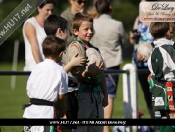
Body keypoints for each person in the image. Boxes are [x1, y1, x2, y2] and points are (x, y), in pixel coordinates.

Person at [44, 14, 87, 130]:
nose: (68, 35)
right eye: (67, 31)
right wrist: (72, 63)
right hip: (65, 95)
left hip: (65, 94)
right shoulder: (57, 51)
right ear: (60, 32)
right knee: (65, 128)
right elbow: (56, 74)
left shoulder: (48, 48)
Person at [90, 0, 128, 132]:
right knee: (109, 96)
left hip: (94, 63)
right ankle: (105, 128)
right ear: (110, 8)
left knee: (95, 95)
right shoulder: (117, 24)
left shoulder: (92, 24)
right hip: (112, 64)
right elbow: (125, 43)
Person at [71, 12, 108, 132]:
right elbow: (74, 74)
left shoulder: (95, 50)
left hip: (97, 95)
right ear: (75, 31)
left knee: (96, 129)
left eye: (91, 29)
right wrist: (88, 73)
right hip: (82, 95)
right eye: (85, 29)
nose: (90, 32)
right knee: (80, 128)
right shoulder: (74, 49)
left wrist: (105, 94)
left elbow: (101, 74)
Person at [23, 36, 68, 132]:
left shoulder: (36, 68)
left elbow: (28, 91)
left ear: (43, 52)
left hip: (30, 111)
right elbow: (61, 97)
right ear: (60, 54)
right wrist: (63, 112)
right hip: (46, 113)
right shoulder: (60, 70)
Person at [148, 22, 175, 132]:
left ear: (152, 35)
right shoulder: (169, 48)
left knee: (164, 117)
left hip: (158, 88)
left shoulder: (154, 50)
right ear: (168, 32)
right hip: (169, 88)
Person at [129, 0, 154, 119]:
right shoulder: (138, 19)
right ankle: (155, 125)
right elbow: (132, 41)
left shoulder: (156, 19)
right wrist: (133, 36)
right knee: (147, 94)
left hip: (153, 62)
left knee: (156, 93)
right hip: (139, 63)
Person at [23, 0, 55, 71]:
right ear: (39, 8)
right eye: (47, 10)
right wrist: (39, 67)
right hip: (34, 67)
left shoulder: (50, 25)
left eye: (52, 10)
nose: (50, 13)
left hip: (48, 67)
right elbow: (34, 46)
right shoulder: (30, 23)